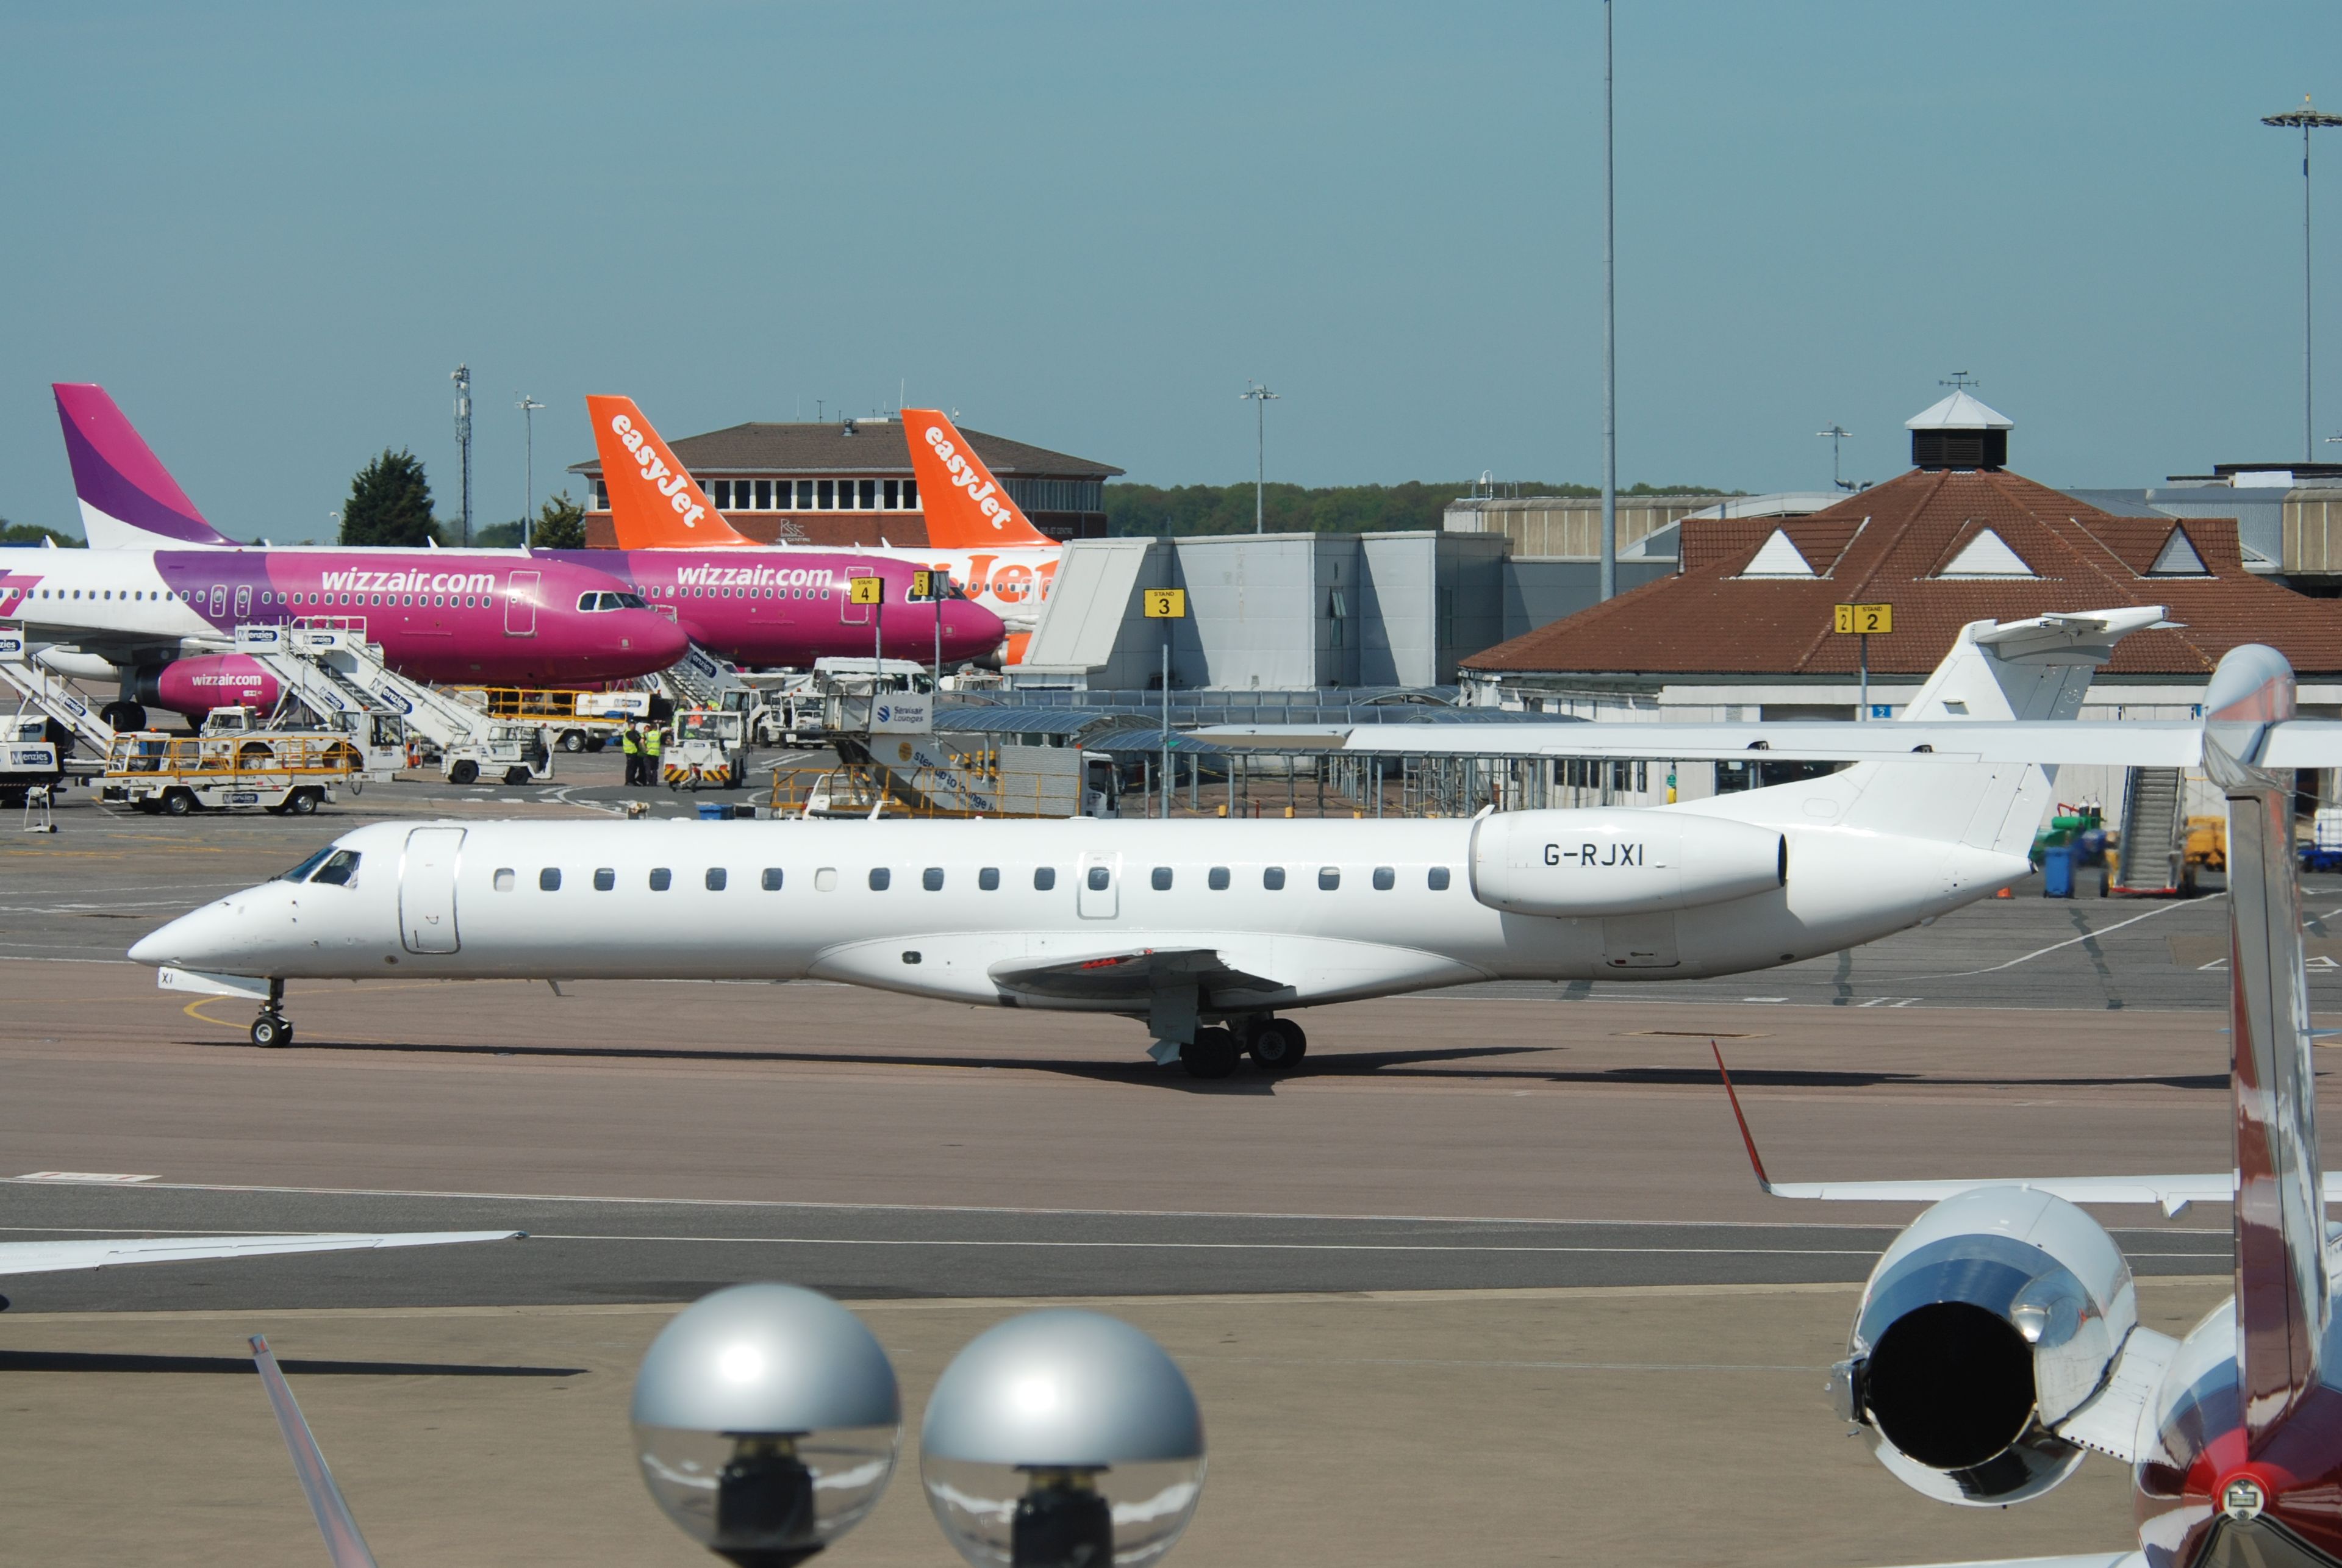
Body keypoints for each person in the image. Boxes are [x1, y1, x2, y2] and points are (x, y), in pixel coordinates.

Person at [643, 721, 664, 787]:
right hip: (656, 753)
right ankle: (654, 782)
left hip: (649, 753)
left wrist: (645, 748)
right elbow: (665, 732)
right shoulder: (658, 733)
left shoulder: (648, 734)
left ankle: (649, 782)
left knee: (648, 768)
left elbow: (643, 741)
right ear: (656, 728)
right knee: (655, 769)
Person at [620, 722, 641, 786]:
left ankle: (633, 780)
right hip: (630, 752)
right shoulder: (628, 732)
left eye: (635, 726)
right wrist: (638, 738)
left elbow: (639, 737)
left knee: (634, 767)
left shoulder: (634, 732)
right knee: (630, 767)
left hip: (635, 752)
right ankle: (628, 781)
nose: (634, 727)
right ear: (630, 726)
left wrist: (638, 737)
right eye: (633, 726)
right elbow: (635, 739)